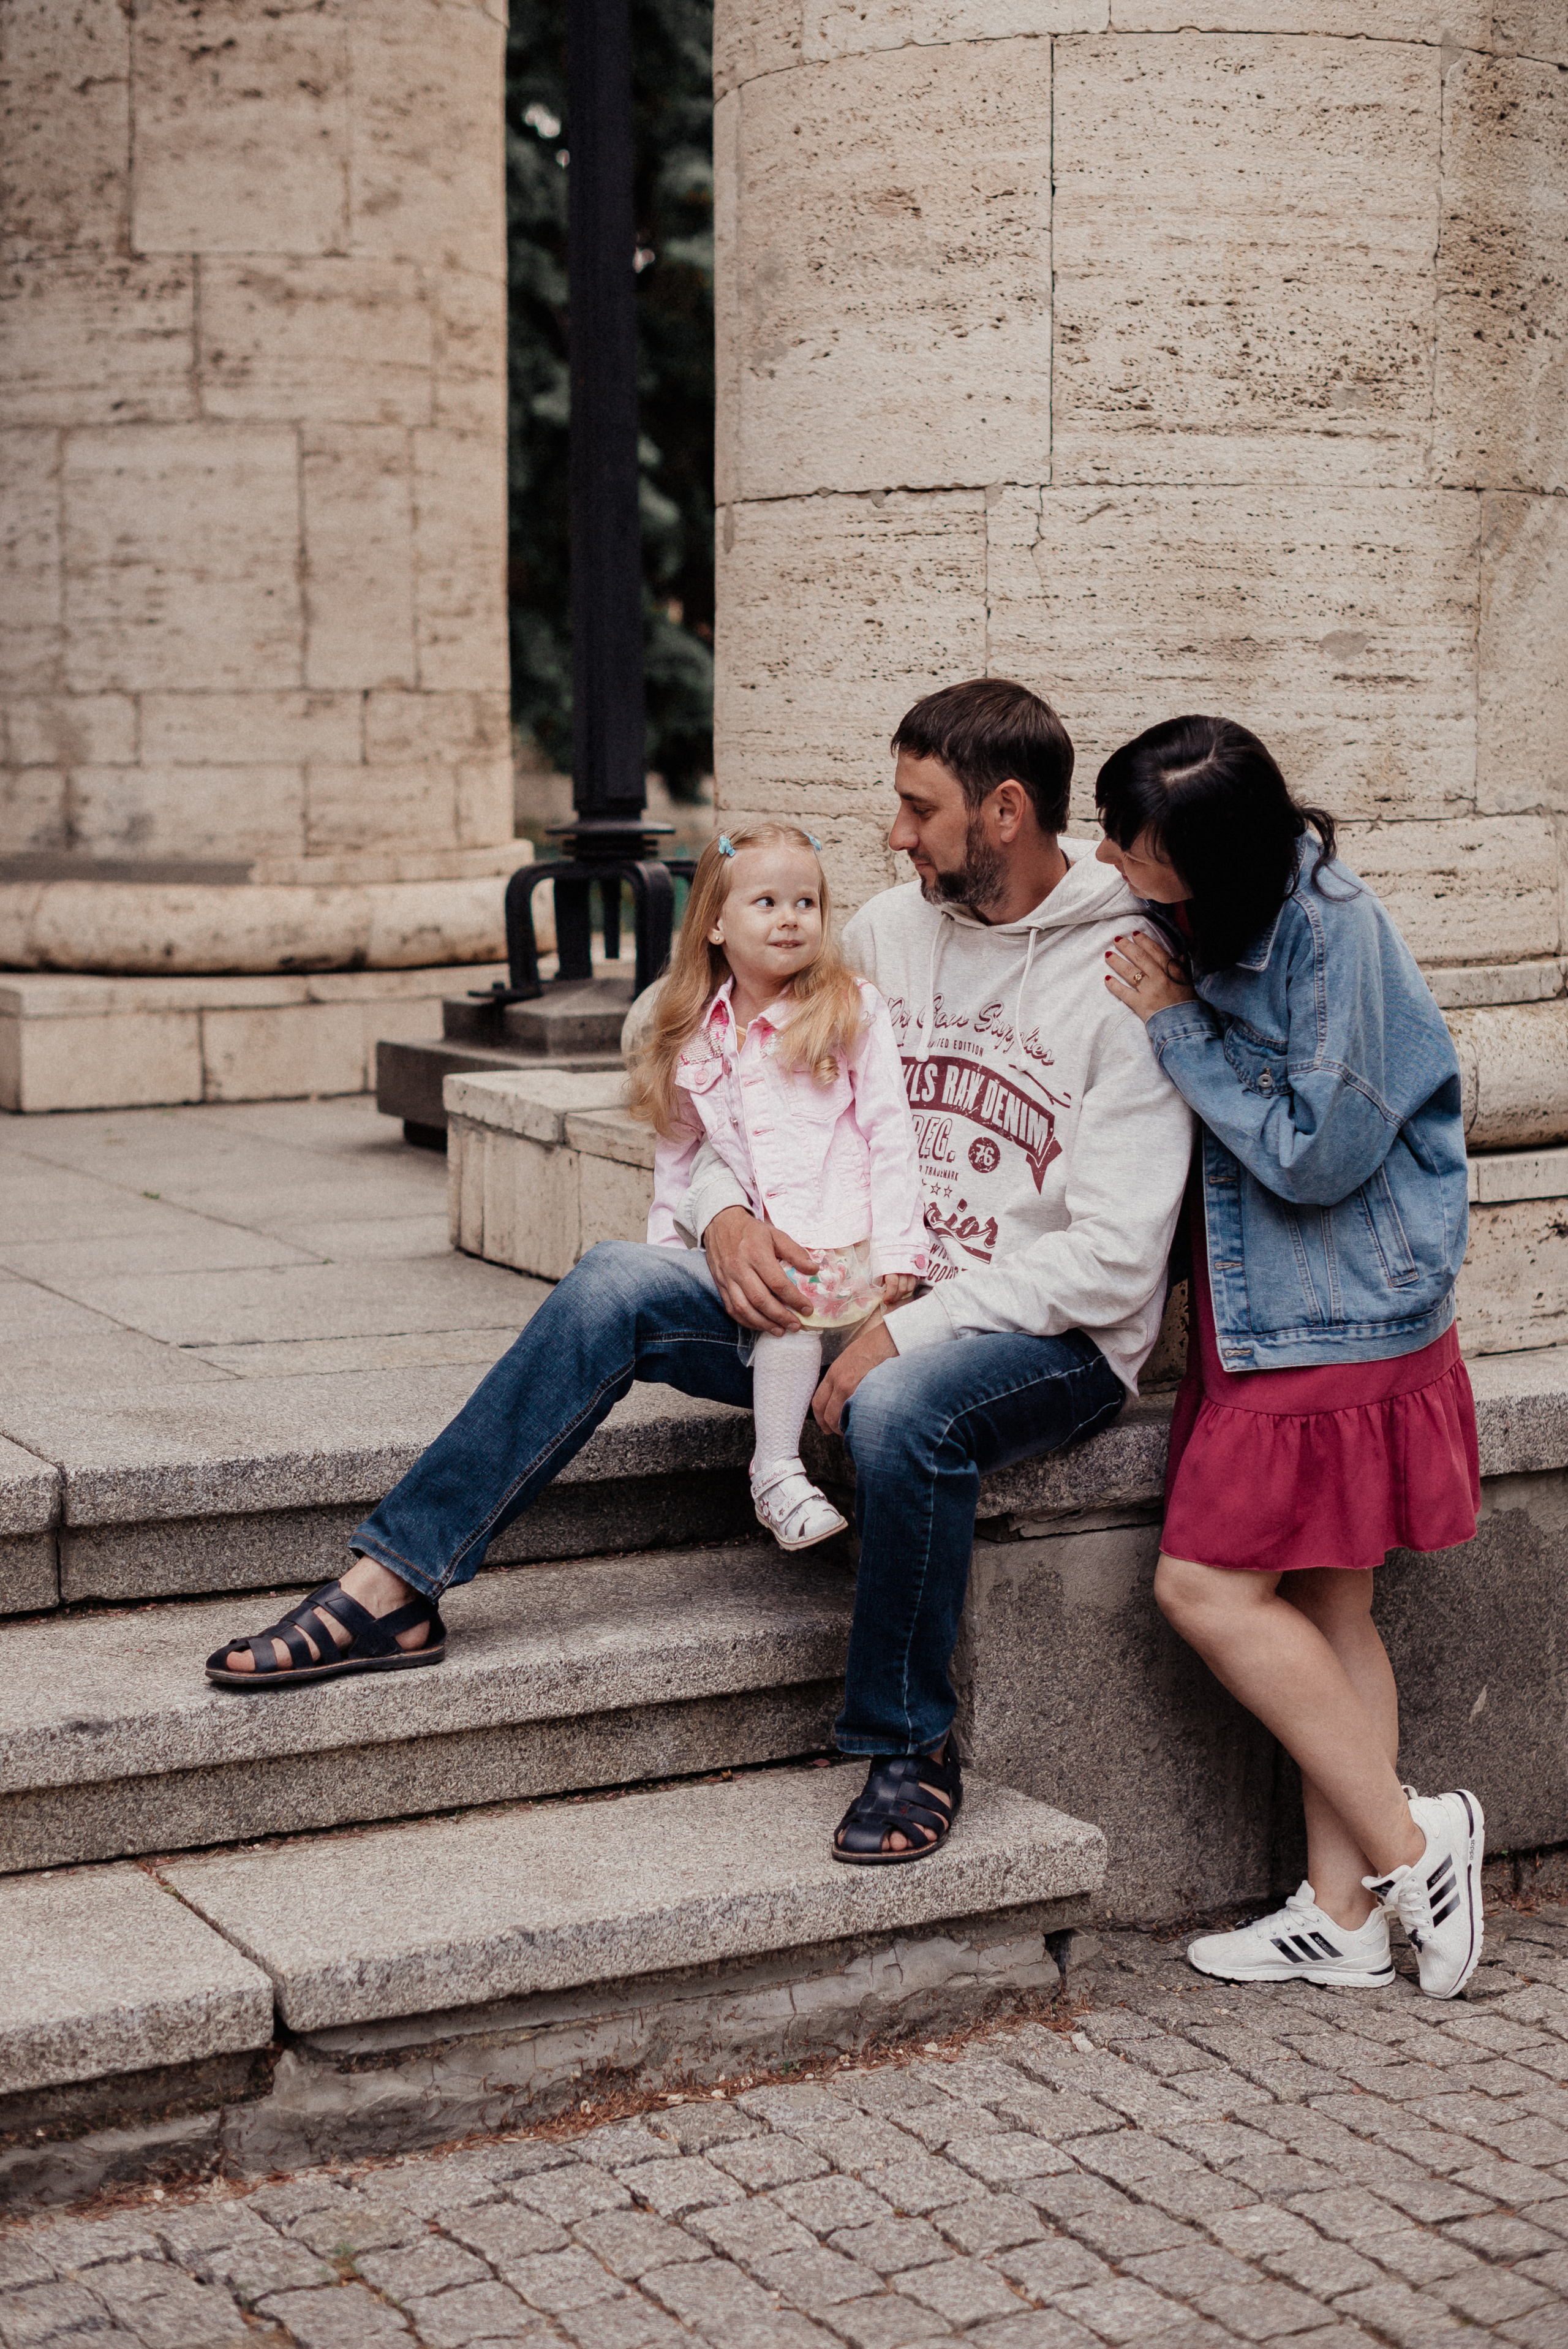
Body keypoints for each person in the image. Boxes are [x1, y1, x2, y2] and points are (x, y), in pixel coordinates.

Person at [205, 676, 1193, 1872]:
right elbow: (697, 1052)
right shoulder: (882, 934)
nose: (891, 834)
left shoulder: (1122, 982)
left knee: (897, 1409)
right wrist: (722, 1214)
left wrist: (904, 1333)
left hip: (1047, 1344)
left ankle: (907, 1744)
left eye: (915, 808)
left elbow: (1113, 1262)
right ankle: (394, 1583)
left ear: (1002, 812)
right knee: (618, 1280)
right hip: (844, 1291)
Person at [1097, 713, 1484, 2000]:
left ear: (1213, 857)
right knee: (1328, 1603)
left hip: (1335, 1314)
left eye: (1133, 844)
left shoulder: (1329, 932)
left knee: (1201, 1592)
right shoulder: (1221, 912)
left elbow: (1316, 1155)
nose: (1109, 858)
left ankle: (1409, 1840)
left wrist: (1177, 1026)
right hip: (1276, 1309)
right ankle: (1343, 1917)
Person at [631, 820, 927, 1551]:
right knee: (782, 1315)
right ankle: (779, 1473)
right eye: (765, 902)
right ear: (713, 925)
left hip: (846, 1231)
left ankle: (776, 1467)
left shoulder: (848, 1007)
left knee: (790, 1319)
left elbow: (891, 1131)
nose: (790, 918)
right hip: (769, 1242)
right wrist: (666, 1248)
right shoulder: (691, 1031)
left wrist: (900, 1246)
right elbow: (679, 1150)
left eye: (806, 903)